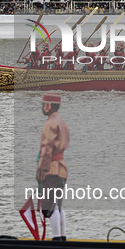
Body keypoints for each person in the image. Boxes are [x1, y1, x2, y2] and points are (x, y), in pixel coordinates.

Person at [36, 93, 70, 241]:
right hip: (61, 167)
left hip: (51, 168)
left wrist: (41, 169)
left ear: (49, 105)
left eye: (44, 104)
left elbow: (46, 149)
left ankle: (56, 238)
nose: (42, 108)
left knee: (49, 205)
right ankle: (62, 236)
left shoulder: (50, 123)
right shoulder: (62, 122)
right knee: (59, 204)